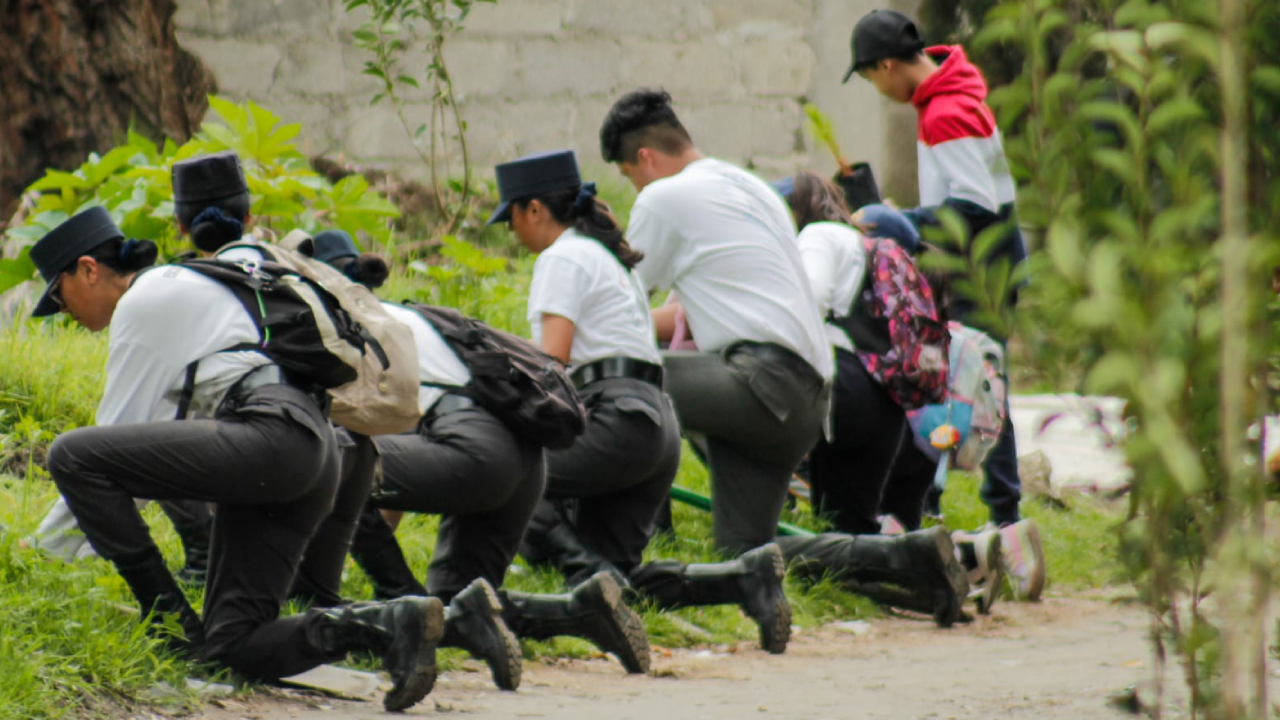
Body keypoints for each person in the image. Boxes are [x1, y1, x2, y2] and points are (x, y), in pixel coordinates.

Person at [31, 206, 442, 712]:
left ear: (89, 269)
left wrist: (33, 560)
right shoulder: (186, 288)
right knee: (235, 643)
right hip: (312, 447)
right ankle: (385, 624)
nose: (64, 312)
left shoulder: (146, 301)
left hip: (273, 437)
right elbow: (147, 452)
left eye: (58, 295)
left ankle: (172, 628)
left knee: (72, 453)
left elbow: (102, 448)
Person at [310, 229, 652, 687]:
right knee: (458, 605)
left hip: (473, 452)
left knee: (324, 459)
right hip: (525, 464)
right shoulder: (412, 319)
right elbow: (387, 461)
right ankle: (580, 611)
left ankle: (403, 607)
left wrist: (376, 581)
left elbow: (352, 467)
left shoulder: (339, 328)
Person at [492, 149, 792, 654]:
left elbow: (551, 364)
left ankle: (590, 580)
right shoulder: (608, 257)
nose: (511, 231)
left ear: (536, 209)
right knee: (624, 569)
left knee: (511, 474)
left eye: (513, 216)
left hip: (614, 418)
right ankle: (744, 579)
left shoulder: (562, 257)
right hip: (656, 424)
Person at [844, 10, 1043, 589]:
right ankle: (928, 510)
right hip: (990, 263)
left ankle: (1006, 523)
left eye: (871, 79)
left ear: (885, 66)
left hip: (985, 270)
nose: (879, 92)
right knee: (958, 386)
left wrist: (898, 220)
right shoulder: (951, 92)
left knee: (978, 388)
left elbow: (975, 203)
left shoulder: (946, 110)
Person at [598, 88, 832, 563]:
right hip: (810, 398)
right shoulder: (753, 189)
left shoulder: (664, 196)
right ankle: (916, 557)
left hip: (759, 383)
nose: (636, 190)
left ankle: (635, 546)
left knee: (615, 383)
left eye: (629, 177)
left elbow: (618, 307)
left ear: (644, 158)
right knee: (746, 554)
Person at [767, 171, 973, 625]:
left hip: (840, 389)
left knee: (740, 425)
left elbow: (810, 300)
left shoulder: (819, 236)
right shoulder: (863, 250)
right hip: (884, 404)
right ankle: (937, 569)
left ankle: (937, 557)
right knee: (849, 533)